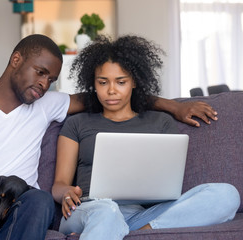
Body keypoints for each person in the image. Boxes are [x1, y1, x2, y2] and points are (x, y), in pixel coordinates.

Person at [0, 34, 218, 240]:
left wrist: (173, 106)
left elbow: (112, 95)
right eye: (40, 72)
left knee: (40, 198)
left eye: (51, 79)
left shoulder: (47, 104)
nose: (44, 84)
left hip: (19, 206)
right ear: (16, 60)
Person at [52, 35, 240, 240]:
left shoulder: (161, 123)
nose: (111, 90)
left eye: (121, 82)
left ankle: (142, 232)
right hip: (90, 209)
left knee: (227, 195)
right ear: (93, 83)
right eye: (103, 82)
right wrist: (66, 193)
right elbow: (59, 184)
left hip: (143, 215)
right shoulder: (77, 123)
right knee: (106, 210)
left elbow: (170, 183)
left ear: (134, 82)